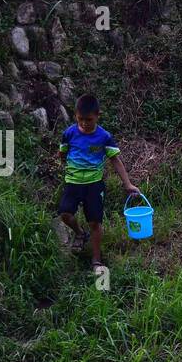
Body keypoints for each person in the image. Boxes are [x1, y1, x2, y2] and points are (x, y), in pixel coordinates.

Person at [57, 93, 139, 269]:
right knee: (65, 214)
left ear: (97, 116)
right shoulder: (69, 133)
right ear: (75, 116)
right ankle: (80, 233)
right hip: (73, 182)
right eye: (81, 119)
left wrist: (127, 184)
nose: (85, 123)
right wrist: (67, 164)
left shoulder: (104, 137)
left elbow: (115, 160)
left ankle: (96, 259)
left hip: (94, 184)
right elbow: (62, 153)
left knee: (95, 222)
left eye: (89, 120)